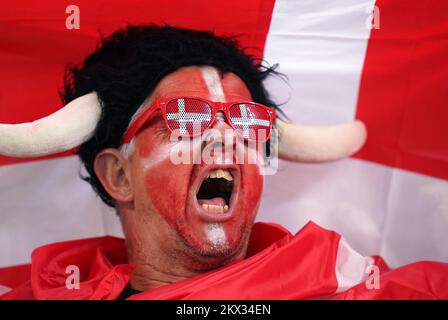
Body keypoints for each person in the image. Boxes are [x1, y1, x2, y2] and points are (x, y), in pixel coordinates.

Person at [0, 25, 446, 300]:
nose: (226, 139)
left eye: (248, 122)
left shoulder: (346, 286)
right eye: (187, 118)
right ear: (118, 175)